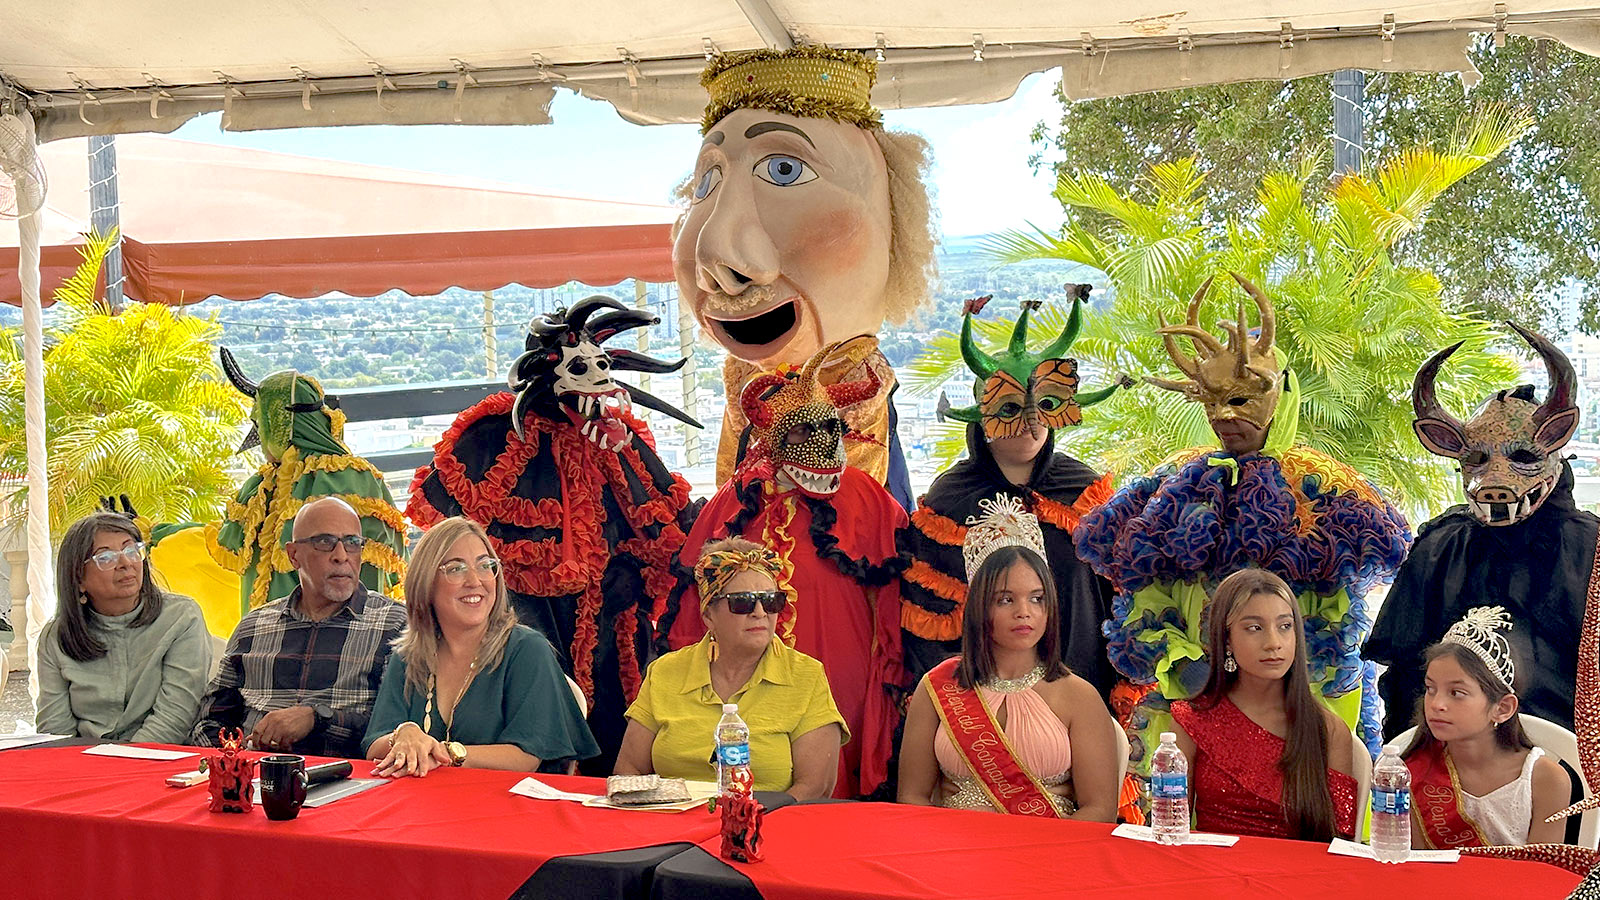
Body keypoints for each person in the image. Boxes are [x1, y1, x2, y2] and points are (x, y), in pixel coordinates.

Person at [1075, 273, 1409, 818]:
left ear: (1279, 397)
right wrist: (1187, 665)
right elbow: (1144, 607)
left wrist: (1292, 691)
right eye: (1211, 402)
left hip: (1304, 708)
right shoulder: (1176, 491)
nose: (1224, 417)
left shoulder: (1325, 496)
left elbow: (1336, 626)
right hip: (1195, 708)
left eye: (1240, 399)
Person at [408, 295, 698, 775]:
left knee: (611, 715)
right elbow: (458, 534)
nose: (599, 380)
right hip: (527, 611)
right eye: (580, 368)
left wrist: (632, 572)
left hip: (608, 611)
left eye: (602, 366)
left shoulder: (615, 437)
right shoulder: (497, 435)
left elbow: (661, 524)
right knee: (532, 709)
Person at [676, 44, 940, 509]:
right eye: (706, 183)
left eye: (784, 170)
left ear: (893, 225)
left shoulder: (859, 392)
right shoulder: (743, 382)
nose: (713, 256)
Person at [660, 346, 905, 798]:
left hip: (841, 657)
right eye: (801, 432)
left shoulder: (865, 495)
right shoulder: (738, 497)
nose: (820, 443)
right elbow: (697, 595)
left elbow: (897, 587)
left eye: (830, 429)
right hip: (744, 673)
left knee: (833, 762)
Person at [1368, 323, 1592, 738]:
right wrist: (1407, 754)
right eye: (1476, 459)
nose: (1495, 477)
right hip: (1450, 760)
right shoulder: (1441, 547)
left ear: (1554, 444)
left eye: (1522, 456)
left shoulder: (1591, 550)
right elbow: (1405, 675)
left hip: (1567, 758)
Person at [901, 291, 1125, 695]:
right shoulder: (949, 502)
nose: (1031, 422)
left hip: (1080, 691)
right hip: (982, 705)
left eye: (1045, 405)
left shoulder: (1084, 491)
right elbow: (929, 626)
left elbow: (1119, 602)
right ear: (982, 415)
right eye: (1010, 408)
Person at [899, 497, 1120, 820]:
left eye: (1037, 598)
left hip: (1051, 847)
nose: (1024, 612)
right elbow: (911, 797)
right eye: (1005, 600)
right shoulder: (937, 686)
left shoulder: (1079, 696)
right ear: (979, 605)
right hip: (954, 847)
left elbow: (1099, 810)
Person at [364, 517, 598, 775]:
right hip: (422, 799)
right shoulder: (407, 656)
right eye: (456, 569)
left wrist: (444, 753)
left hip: (508, 797)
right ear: (426, 583)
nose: (475, 580)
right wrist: (403, 734)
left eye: (486, 565)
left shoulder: (528, 649)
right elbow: (374, 746)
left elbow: (525, 757)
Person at [617, 538, 846, 799]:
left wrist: (749, 820)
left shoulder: (806, 676)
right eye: (742, 602)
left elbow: (814, 787)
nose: (760, 612)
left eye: (770, 601)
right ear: (708, 616)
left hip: (769, 820)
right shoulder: (665, 672)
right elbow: (629, 769)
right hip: (673, 819)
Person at [191, 496, 407, 757]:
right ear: (294, 555)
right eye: (325, 542)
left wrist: (318, 719)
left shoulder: (394, 625)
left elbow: (396, 728)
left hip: (346, 773)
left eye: (352, 543)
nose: (341, 556)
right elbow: (209, 721)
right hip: (252, 769)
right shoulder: (254, 627)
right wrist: (229, 765)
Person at [208, 348, 406, 615]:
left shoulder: (351, 478)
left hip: (349, 631)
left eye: (260, 422)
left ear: (278, 423)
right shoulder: (263, 485)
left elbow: (371, 576)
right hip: (268, 631)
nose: (258, 434)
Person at [1168, 568, 1358, 842]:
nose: (1273, 643)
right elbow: (1170, 832)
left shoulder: (1328, 730)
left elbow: (1340, 847)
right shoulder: (1192, 720)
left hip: (1298, 869)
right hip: (1212, 866)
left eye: (1285, 626)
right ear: (1226, 639)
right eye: (1255, 628)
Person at [35, 511, 210, 743]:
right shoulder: (57, 636)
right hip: (83, 756)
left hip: (159, 755)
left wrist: (125, 757)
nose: (126, 563)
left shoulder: (181, 618)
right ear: (78, 578)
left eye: (131, 551)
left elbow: (176, 715)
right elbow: (55, 728)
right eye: (106, 557)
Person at [1403, 607, 1571, 848]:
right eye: (1430, 689)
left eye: (1456, 693)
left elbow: (1543, 868)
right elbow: (1416, 864)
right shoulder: (1410, 773)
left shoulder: (1545, 779)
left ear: (1502, 708)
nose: (1437, 704)